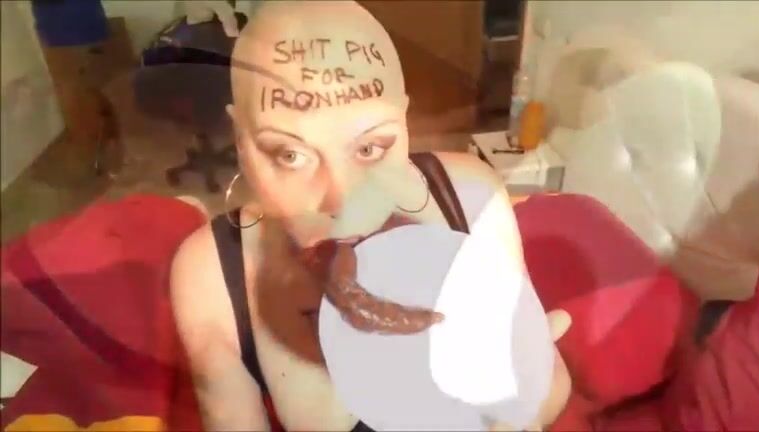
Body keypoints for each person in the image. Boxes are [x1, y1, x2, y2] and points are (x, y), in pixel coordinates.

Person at [170, 1, 571, 431]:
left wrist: (517, 387)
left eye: (369, 147)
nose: (342, 200)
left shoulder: (473, 199)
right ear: (240, 139)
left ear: (403, 121)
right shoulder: (210, 278)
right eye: (289, 154)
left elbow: (548, 386)